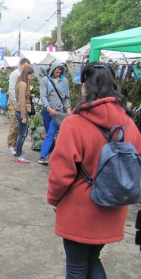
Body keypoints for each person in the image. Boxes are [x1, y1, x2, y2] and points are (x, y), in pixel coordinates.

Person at [47, 61, 141, 278]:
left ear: (86, 87)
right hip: (114, 206)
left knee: (77, 267)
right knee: (92, 259)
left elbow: (61, 174)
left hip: (79, 209)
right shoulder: (130, 125)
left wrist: (54, 200)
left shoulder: (75, 123)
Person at [38, 61, 71, 165]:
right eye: (56, 72)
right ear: (52, 70)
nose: (57, 74)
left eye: (59, 72)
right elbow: (43, 96)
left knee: (51, 133)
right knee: (49, 133)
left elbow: (66, 97)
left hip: (58, 113)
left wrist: (68, 108)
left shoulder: (64, 81)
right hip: (47, 111)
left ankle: (43, 156)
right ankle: (51, 153)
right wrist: (48, 108)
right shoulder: (45, 81)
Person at [7, 58, 30, 156]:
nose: (26, 68)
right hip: (14, 102)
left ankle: (17, 145)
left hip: (21, 103)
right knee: (14, 123)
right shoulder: (15, 74)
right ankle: (11, 145)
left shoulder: (25, 76)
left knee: (20, 126)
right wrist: (17, 103)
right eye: (25, 66)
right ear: (20, 64)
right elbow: (12, 90)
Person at [14, 66, 34, 163]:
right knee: (22, 135)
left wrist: (30, 95)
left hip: (21, 110)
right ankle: (18, 155)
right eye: (31, 75)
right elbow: (21, 100)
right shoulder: (23, 84)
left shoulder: (21, 83)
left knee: (23, 134)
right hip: (22, 111)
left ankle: (19, 153)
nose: (32, 77)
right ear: (27, 74)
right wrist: (23, 116)